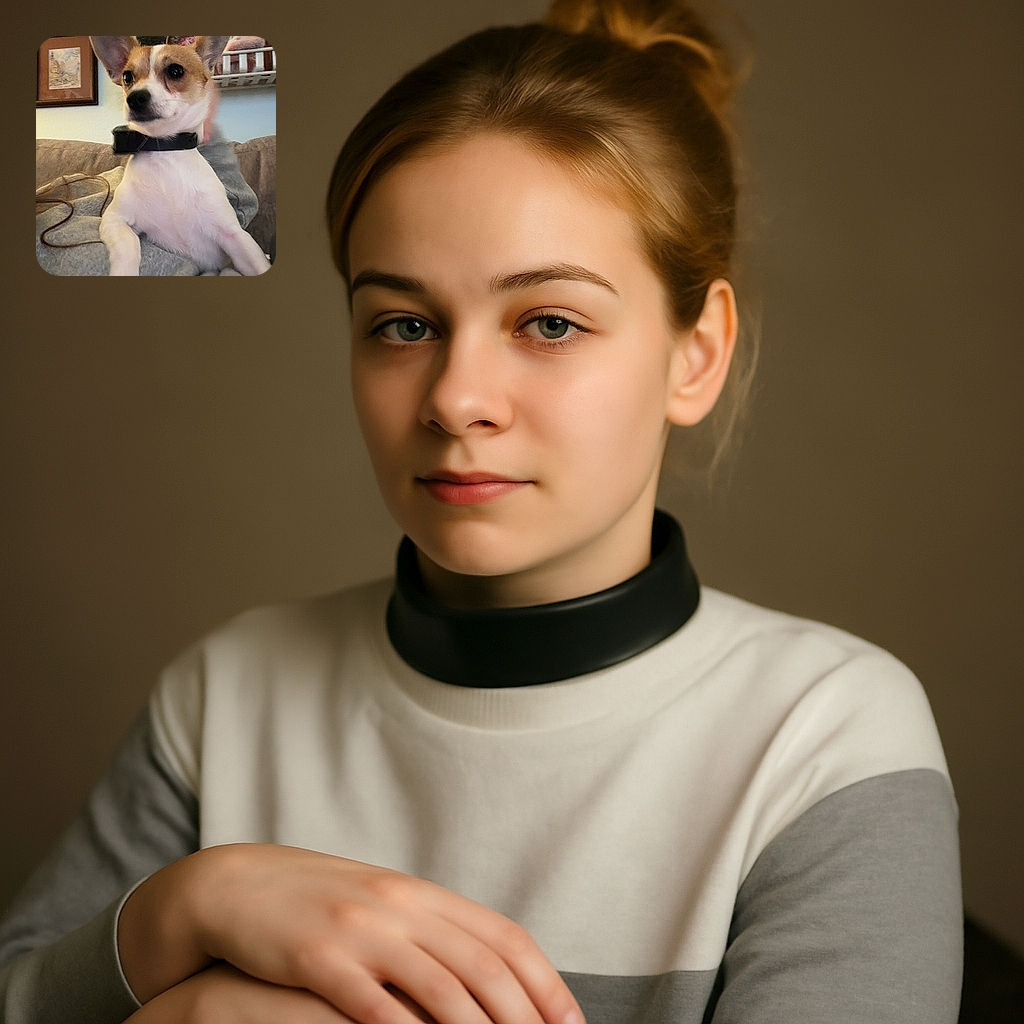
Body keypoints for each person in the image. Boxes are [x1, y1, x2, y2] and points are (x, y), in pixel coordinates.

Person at [1, 1, 962, 1021]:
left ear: (697, 354)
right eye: (403, 325)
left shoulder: (824, 738)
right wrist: (181, 913)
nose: (457, 399)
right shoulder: (225, 697)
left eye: (549, 322)